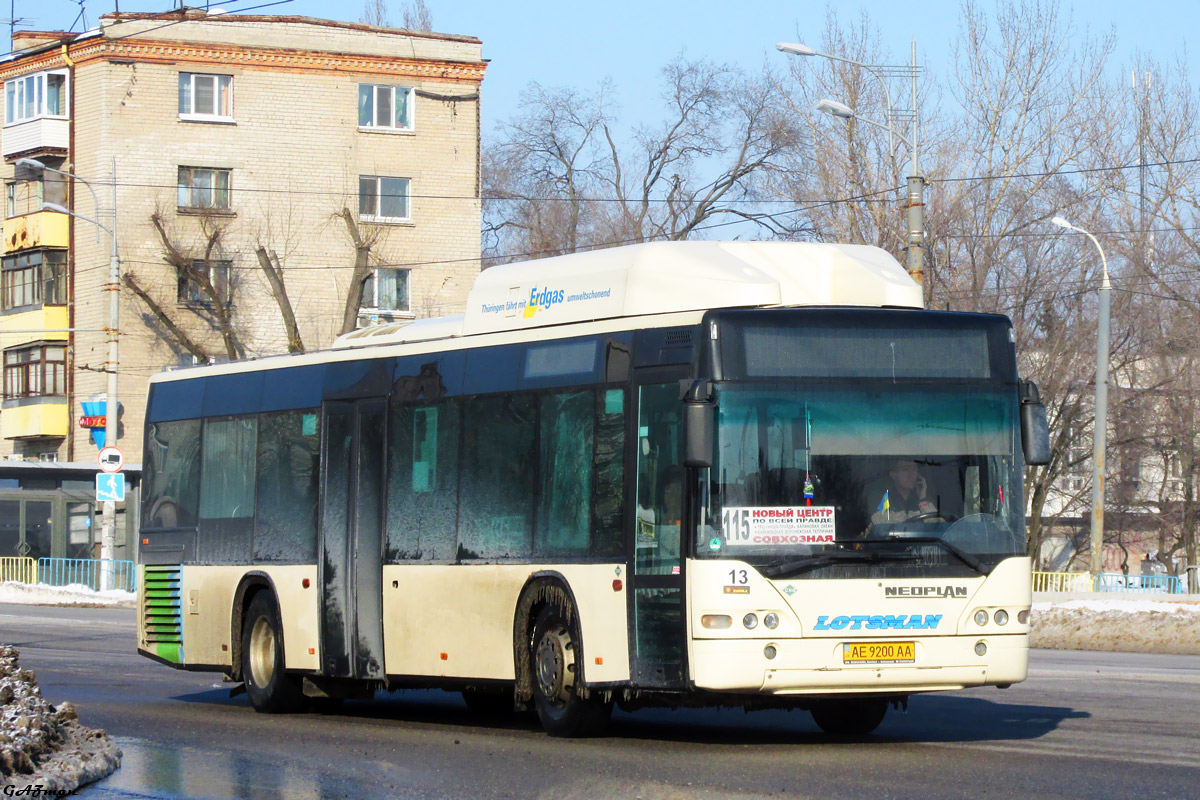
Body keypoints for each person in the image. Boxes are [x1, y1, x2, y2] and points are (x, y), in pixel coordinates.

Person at [871, 458, 938, 525]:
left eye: (914, 469)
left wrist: (923, 499)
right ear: (893, 475)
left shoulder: (924, 499)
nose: (911, 475)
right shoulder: (881, 498)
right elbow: (882, 528)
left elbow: (937, 527)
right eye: (905, 469)